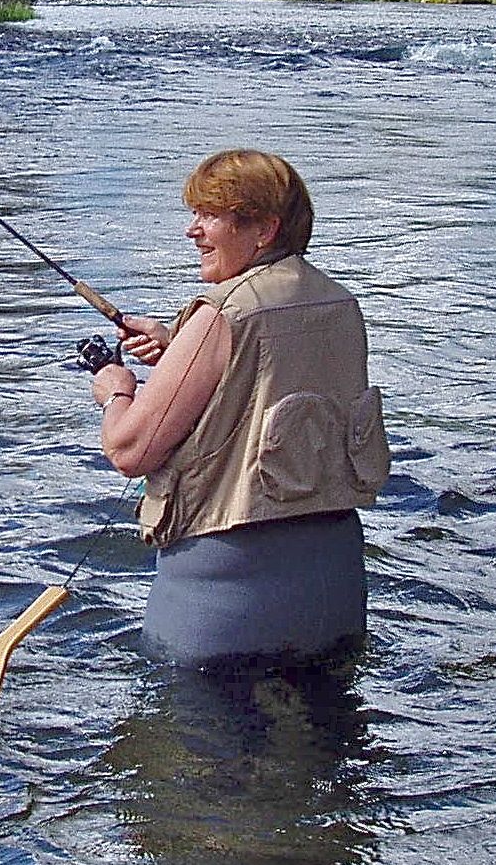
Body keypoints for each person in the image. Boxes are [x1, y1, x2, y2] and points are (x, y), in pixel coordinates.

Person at [87, 149, 388, 668]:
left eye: (209, 216)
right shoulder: (340, 304)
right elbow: (270, 386)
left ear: (264, 230)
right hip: (335, 582)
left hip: (226, 596)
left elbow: (130, 449)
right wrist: (176, 342)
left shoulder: (222, 314)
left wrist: (116, 390)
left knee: (194, 742)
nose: (193, 231)